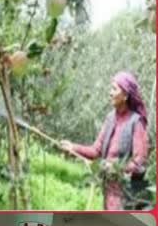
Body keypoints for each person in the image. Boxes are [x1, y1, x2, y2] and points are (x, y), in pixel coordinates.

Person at [60, 71, 150, 210]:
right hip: (109, 190)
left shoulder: (136, 122)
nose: (110, 93)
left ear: (125, 95)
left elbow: (139, 161)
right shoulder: (110, 118)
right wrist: (72, 147)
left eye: (114, 89)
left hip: (128, 195)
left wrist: (115, 168)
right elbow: (96, 150)